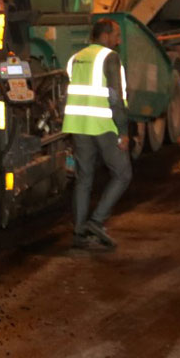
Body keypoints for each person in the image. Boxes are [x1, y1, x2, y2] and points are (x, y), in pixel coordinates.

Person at [62, 19, 132, 250]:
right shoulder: (109, 58)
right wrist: (123, 131)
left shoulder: (76, 58)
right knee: (122, 174)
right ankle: (97, 221)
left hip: (78, 124)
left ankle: (79, 233)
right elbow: (114, 97)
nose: (119, 40)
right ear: (105, 35)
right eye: (117, 35)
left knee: (84, 179)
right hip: (103, 125)